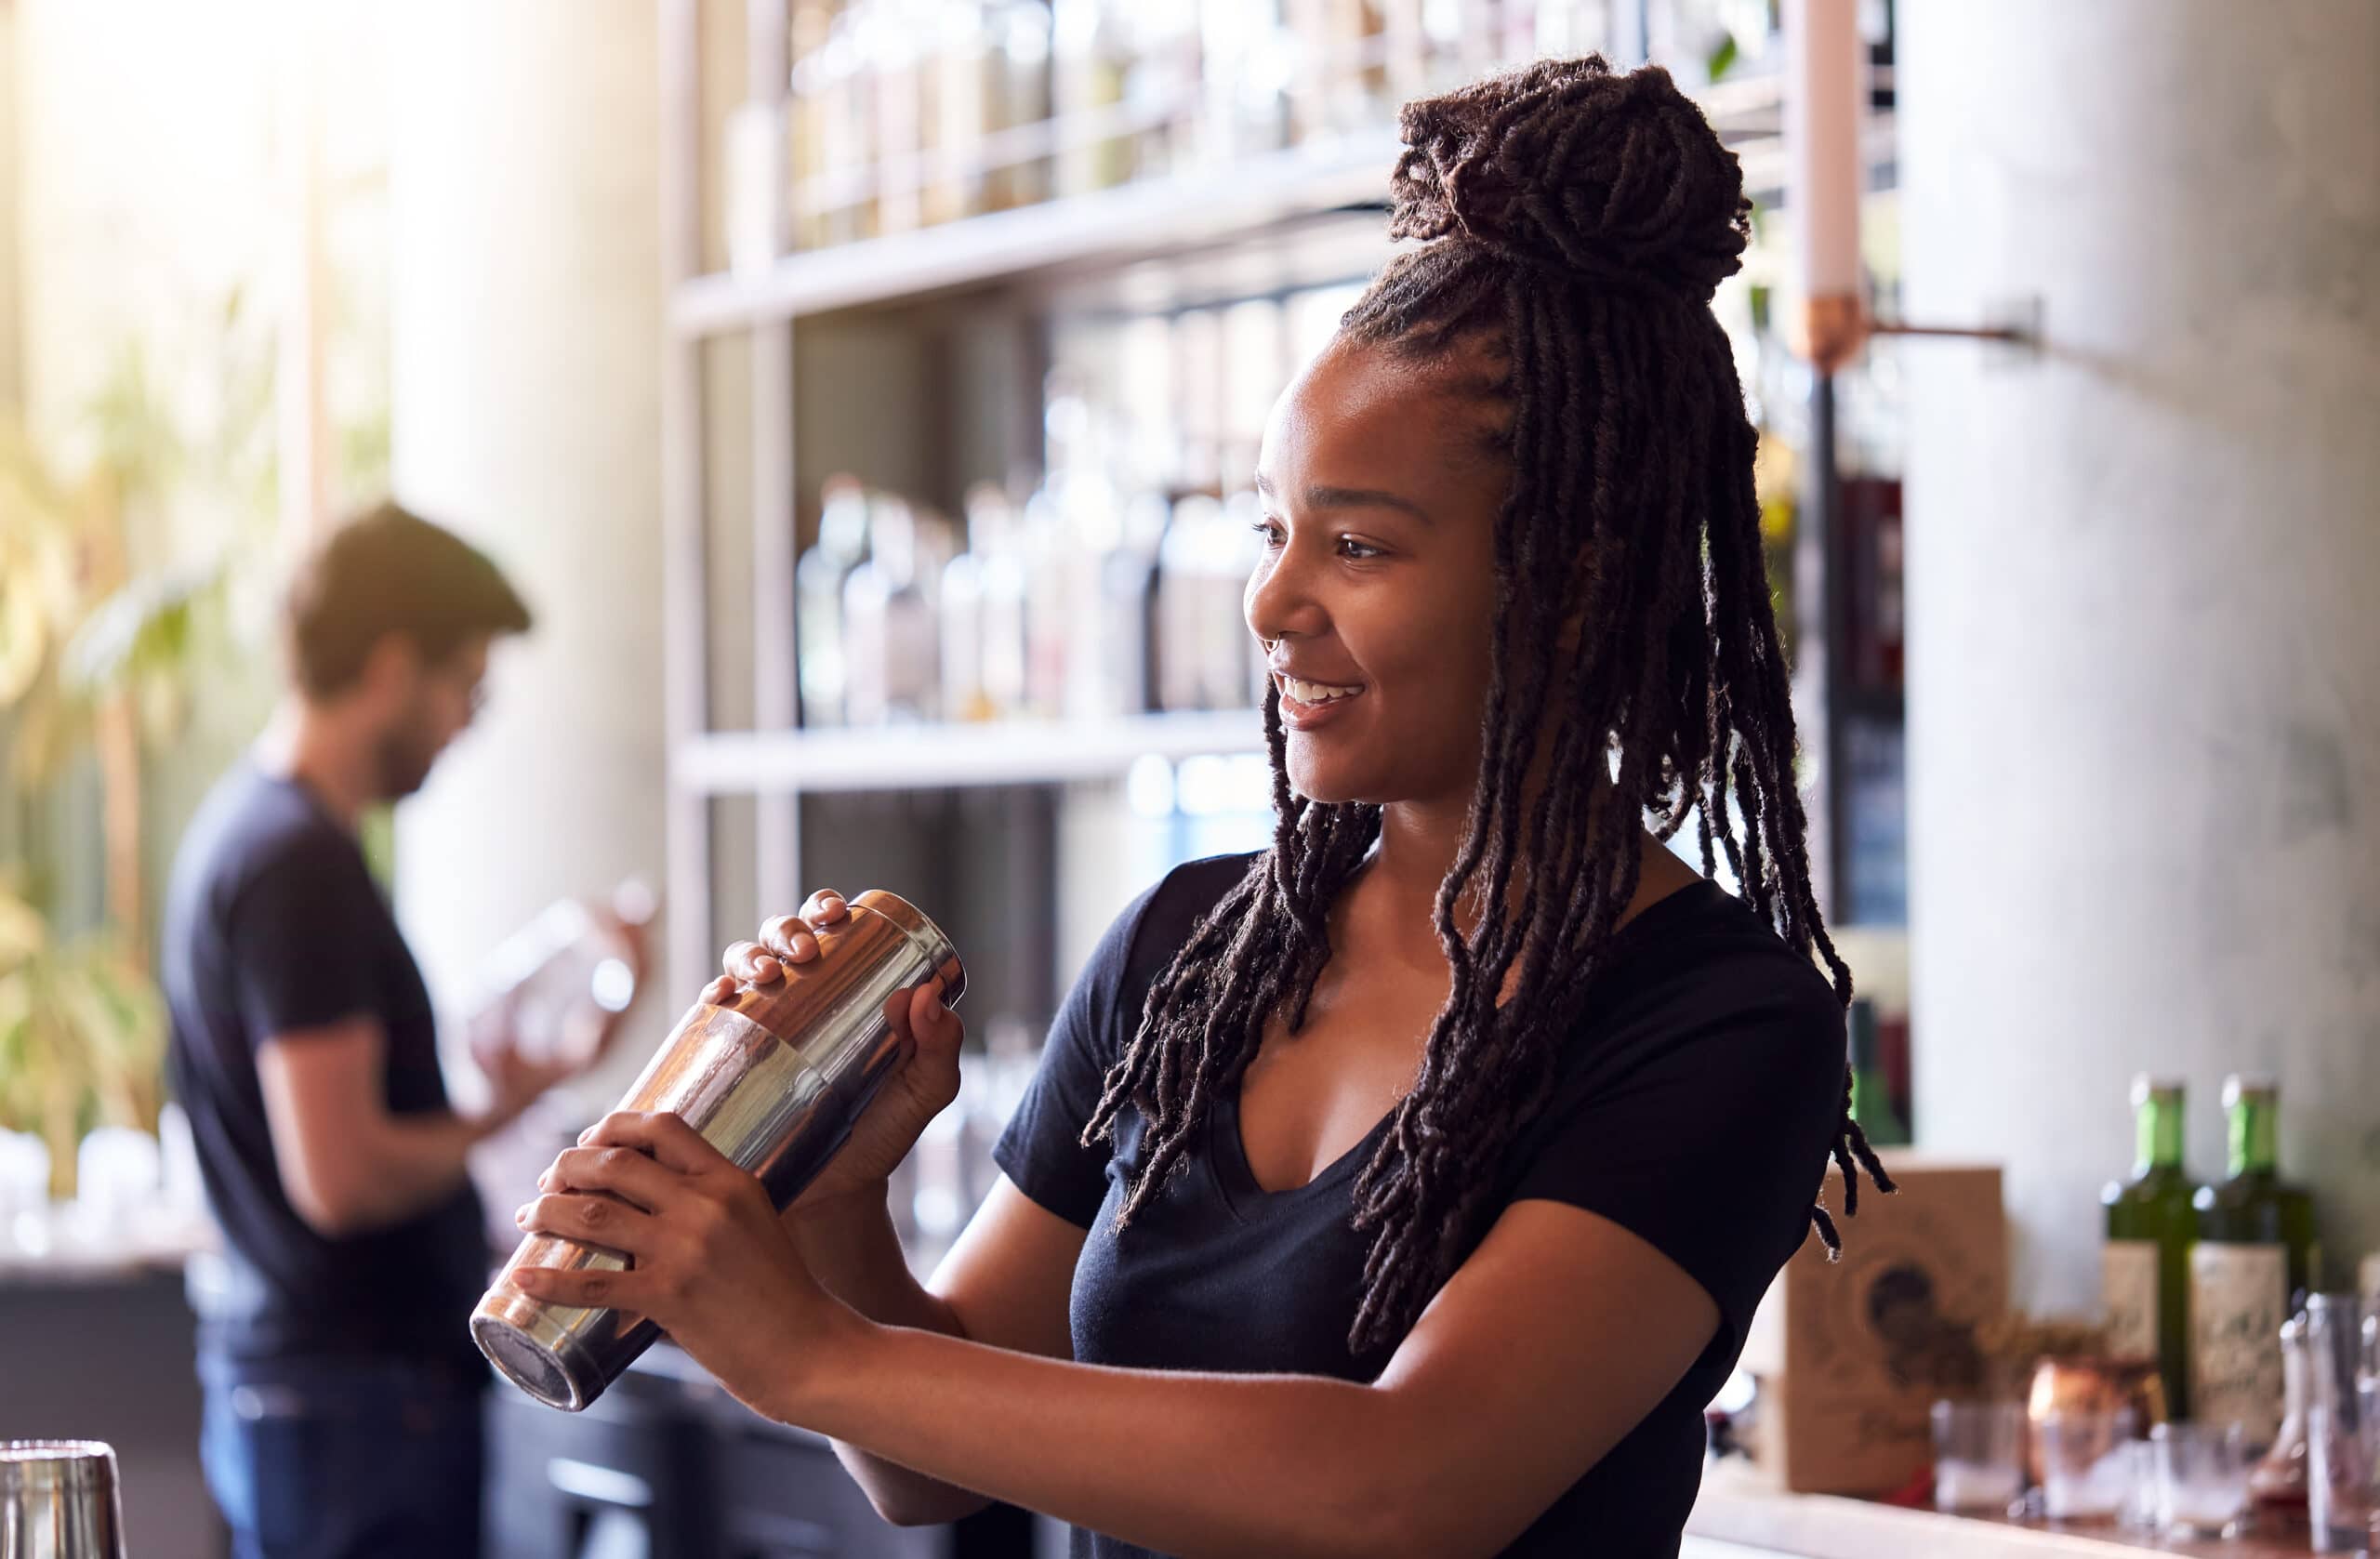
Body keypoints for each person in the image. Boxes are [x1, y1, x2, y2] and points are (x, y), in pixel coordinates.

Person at [511, 57, 1893, 1558]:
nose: (1272, 601)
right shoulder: (1197, 950)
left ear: (1564, 584)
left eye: (1356, 544)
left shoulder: (1719, 1024)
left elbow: (1402, 1484)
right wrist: (846, 1198)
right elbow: (930, 1469)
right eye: (1269, 528)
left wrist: (804, 1347)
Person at [163, 503, 628, 1559]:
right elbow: (344, 1175)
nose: (466, 720)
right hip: (355, 1406)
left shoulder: (249, 834)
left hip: (310, 1395)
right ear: (389, 666)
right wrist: (499, 1116)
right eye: (464, 684)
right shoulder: (297, 867)